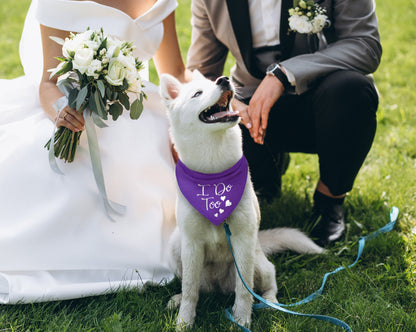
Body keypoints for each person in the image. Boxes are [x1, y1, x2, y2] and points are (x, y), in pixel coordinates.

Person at [0, 0, 189, 304]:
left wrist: (188, 120)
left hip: (138, 111)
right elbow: (49, 83)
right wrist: (63, 113)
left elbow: (176, 73)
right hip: (74, 107)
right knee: (63, 177)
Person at [186, 0, 382, 246]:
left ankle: (330, 199)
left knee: (353, 91)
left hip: (323, 99)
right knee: (246, 171)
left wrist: (283, 74)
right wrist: (232, 105)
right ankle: (269, 166)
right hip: (251, 108)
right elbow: (201, 72)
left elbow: (365, 44)